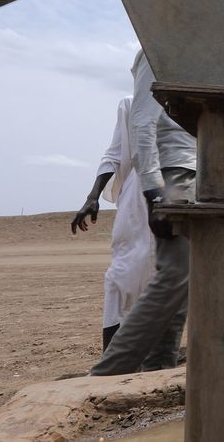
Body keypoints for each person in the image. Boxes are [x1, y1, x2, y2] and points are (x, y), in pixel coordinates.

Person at [90, 50, 197, 375]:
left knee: (184, 284)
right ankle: (109, 371)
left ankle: (158, 369)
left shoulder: (201, 46)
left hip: (196, 169)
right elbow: (141, 124)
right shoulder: (160, 47)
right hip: (172, 172)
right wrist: (153, 192)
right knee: (175, 272)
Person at [71, 96, 155, 350]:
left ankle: (157, 356)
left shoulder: (185, 101)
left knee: (167, 275)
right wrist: (92, 196)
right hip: (137, 200)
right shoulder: (131, 104)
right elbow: (115, 154)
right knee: (122, 275)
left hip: (180, 193)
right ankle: (111, 361)